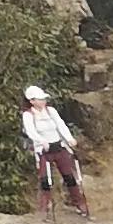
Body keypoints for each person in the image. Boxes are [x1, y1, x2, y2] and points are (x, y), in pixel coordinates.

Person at [20, 84, 88, 214]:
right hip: (43, 151)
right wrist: (41, 141)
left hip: (58, 147)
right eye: (40, 99)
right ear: (32, 101)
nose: (43, 101)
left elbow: (60, 125)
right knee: (45, 180)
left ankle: (80, 204)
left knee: (69, 177)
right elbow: (31, 132)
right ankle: (44, 208)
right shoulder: (28, 115)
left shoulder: (51, 111)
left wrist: (69, 138)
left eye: (44, 99)